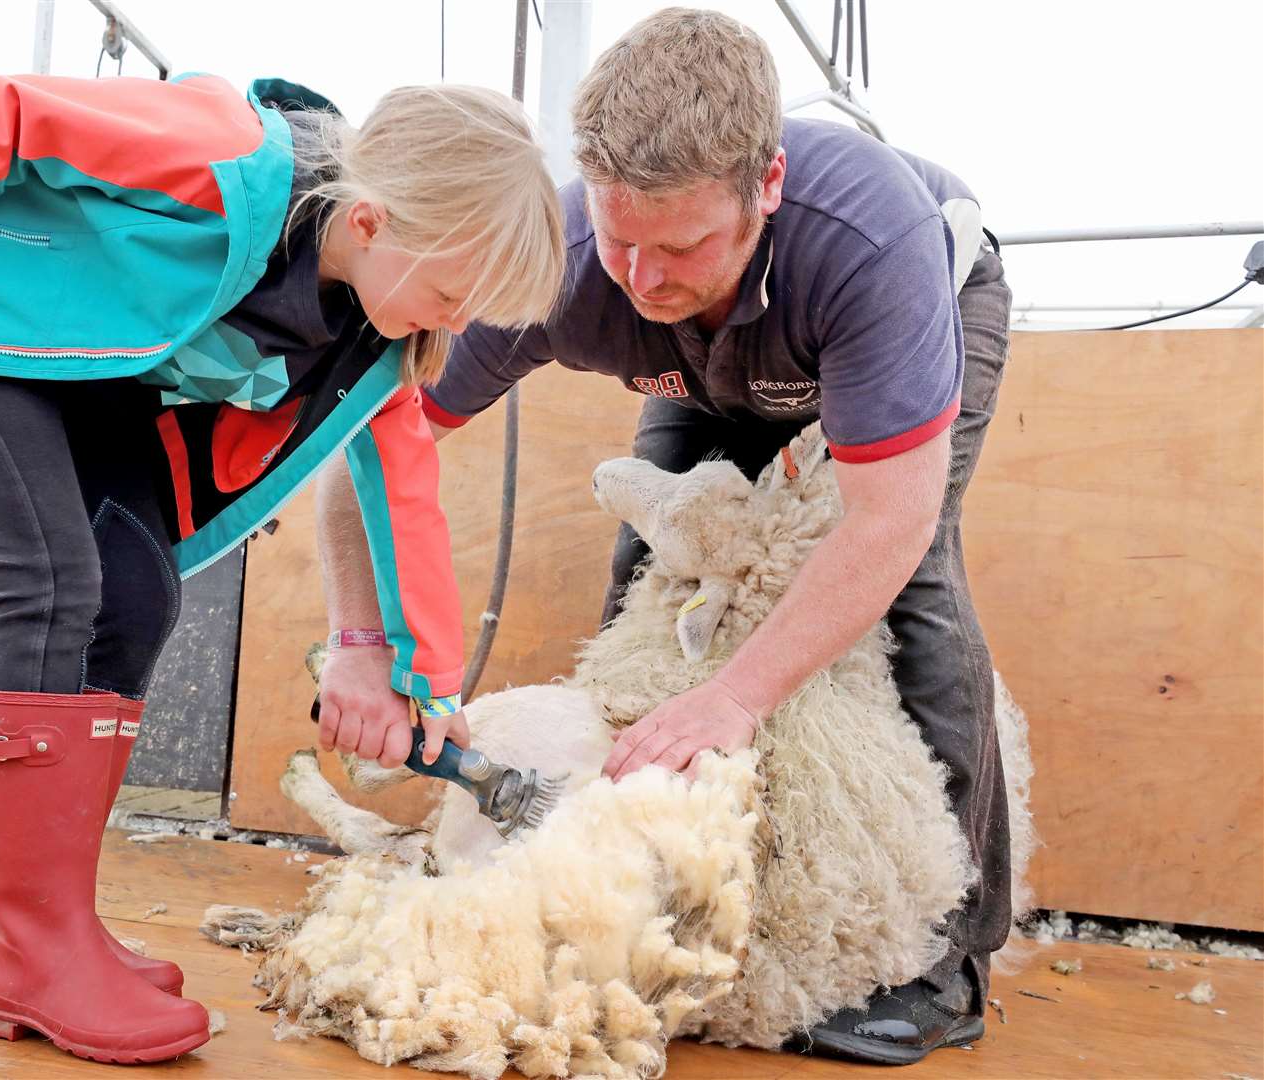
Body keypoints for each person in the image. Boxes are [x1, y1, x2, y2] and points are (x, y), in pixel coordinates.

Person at [0, 71, 563, 1065]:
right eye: (451, 294)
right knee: (54, 586)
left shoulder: (381, 328)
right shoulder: (221, 154)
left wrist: (427, 682)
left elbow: (403, 489)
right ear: (370, 222)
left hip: (84, 376)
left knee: (138, 595)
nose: (445, 325)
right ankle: (36, 947)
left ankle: (49, 928)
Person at [314, 8, 1012, 1065]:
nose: (640, 275)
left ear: (766, 183)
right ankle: (637, 897)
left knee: (913, 596)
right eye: (618, 234)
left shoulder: (873, 244)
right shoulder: (571, 265)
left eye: (679, 243)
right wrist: (362, 643)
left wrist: (734, 696)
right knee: (653, 580)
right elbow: (368, 443)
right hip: (701, 368)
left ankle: (943, 959)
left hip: (876, 319)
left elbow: (889, 521)